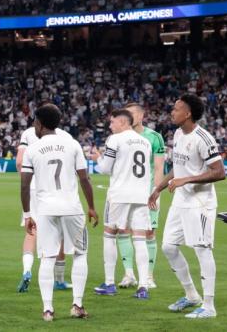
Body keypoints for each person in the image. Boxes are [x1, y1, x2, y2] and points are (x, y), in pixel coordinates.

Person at [149, 94, 226, 319]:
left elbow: (219, 172)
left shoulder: (204, 138)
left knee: (202, 250)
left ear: (188, 113)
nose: (172, 112)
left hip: (199, 204)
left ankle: (209, 306)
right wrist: (158, 188)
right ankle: (192, 296)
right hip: (180, 201)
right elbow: (178, 168)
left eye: (176, 108)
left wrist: (187, 180)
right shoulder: (178, 133)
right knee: (169, 247)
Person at [20, 103, 98, 322]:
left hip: (45, 209)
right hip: (72, 208)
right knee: (80, 254)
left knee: (47, 257)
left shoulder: (32, 149)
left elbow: (25, 185)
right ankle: (77, 305)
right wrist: (91, 206)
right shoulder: (72, 145)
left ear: (39, 123)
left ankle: (48, 310)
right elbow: (84, 178)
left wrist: (27, 214)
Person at [90, 109, 154, 299]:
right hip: (141, 195)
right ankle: (143, 287)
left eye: (112, 122)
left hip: (120, 195)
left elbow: (104, 169)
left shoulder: (115, 140)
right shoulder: (145, 141)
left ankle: (109, 283)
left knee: (109, 234)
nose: (110, 126)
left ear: (123, 122)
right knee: (140, 239)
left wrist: (97, 158)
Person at [16, 118, 70, 293]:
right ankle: (59, 280)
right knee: (59, 234)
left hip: (33, 189)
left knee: (31, 231)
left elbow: (19, 161)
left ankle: (26, 270)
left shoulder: (28, 133)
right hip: (56, 191)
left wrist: (27, 181)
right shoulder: (64, 136)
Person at [125, 101, 165, 290]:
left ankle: (148, 275)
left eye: (132, 113)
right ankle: (128, 274)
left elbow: (158, 167)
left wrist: (155, 191)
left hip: (147, 191)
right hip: (126, 191)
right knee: (124, 230)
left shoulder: (154, 137)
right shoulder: (120, 136)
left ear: (141, 116)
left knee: (149, 232)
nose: (128, 117)